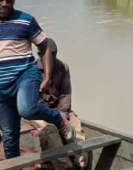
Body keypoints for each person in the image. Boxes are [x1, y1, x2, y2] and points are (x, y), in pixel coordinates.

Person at [0, 0, 75, 160]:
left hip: (25, 75)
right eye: (0, 0)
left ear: (14, 1)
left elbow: (45, 47)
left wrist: (47, 76)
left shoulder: (26, 20)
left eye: (9, 1)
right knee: (10, 135)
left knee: (26, 109)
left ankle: (58, 118)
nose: (4, 4)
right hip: (1, 86)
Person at [35, 38, 88, 169]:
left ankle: (80, 160)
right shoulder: (32, 69)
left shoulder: (63, 67)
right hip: (38, 111)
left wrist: (62, 114)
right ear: (39, 55)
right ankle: (59, 164)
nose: (49, 58)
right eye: (45, 55)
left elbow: (65, 94)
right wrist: (51, 116)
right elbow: (33, 100)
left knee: (76, 127)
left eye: (52, 55)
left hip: (59, 109)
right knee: (49, 131)